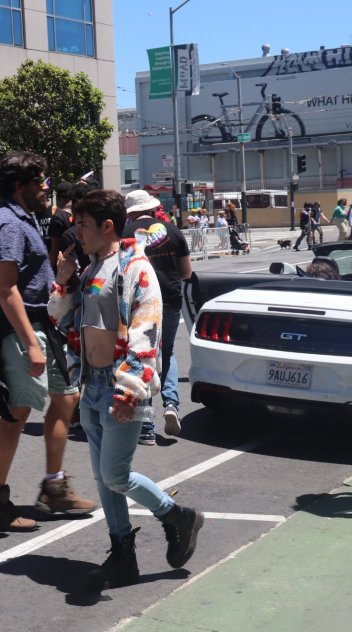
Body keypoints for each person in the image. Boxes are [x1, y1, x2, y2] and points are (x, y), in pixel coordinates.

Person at [49, 189, 203, 590]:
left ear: (107, 226)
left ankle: (176, 516)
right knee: (104, 479)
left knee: (115, 475)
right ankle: (122, 554)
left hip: (119, 385)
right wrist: (63, 284)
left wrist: (130, 389)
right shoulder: (90, 269)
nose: (78, 233)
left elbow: (147, 330)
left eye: (84, 225)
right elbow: (65, 324)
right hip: (92, 385)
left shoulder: (136, 268)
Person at [0, 151, 95, 532]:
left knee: (66, 399)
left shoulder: (22, 218)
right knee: (16, 414)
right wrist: (30, 343)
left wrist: (57, 275)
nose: (47, 188)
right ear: (20, 185)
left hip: (42, 324)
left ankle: (54, 487)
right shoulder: (7, 224)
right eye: (41, 182)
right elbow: (5, 288)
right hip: (21, 330)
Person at [122, 189, 192, 443]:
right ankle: (171, 404)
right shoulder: (173, 230)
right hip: (170, 299)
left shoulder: (124, 233)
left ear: (131, 212)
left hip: (140, 303)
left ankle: (146, 426)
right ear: (152, 207)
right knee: (167, 352)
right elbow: (186, 272)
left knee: (143, 356)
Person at [47, 181, 75, 269]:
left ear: (59, 198)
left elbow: (54, 250)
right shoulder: (79, 213)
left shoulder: (58, 218)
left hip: (63, 266)